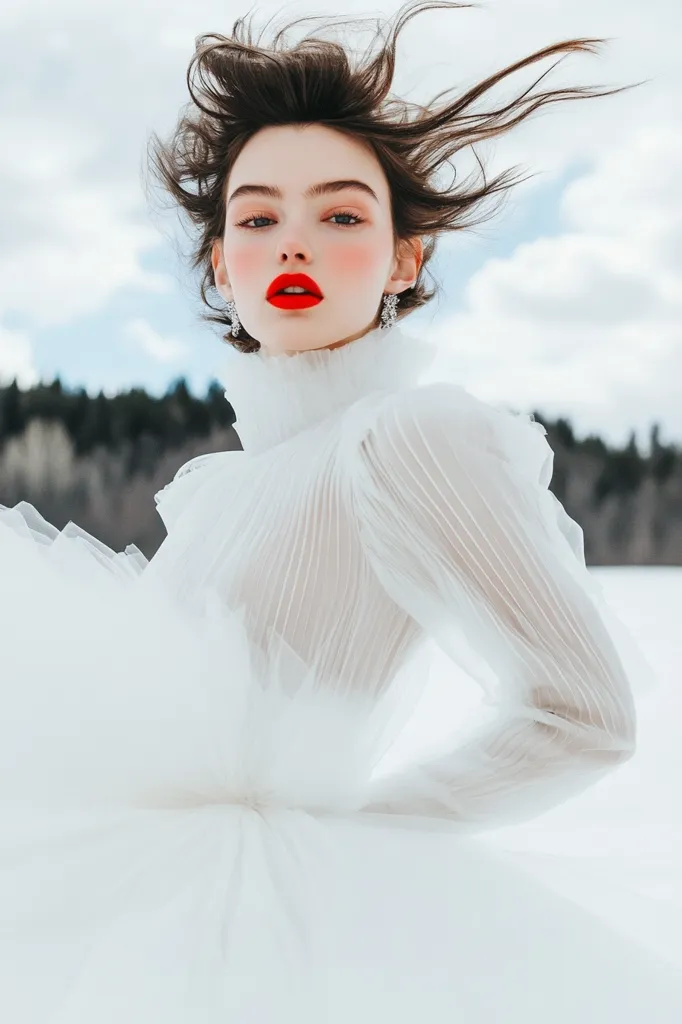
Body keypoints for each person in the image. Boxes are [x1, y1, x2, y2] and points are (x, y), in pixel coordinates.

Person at [1, 2, 680, 1020]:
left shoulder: (406, 440)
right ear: (219, 264)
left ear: (406, 260)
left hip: (268, 945)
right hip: (125, 919)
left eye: (343, 214)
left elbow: (583, 715)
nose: (295, 245)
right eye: (259, 217)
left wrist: (346, 848)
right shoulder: (230, 487)